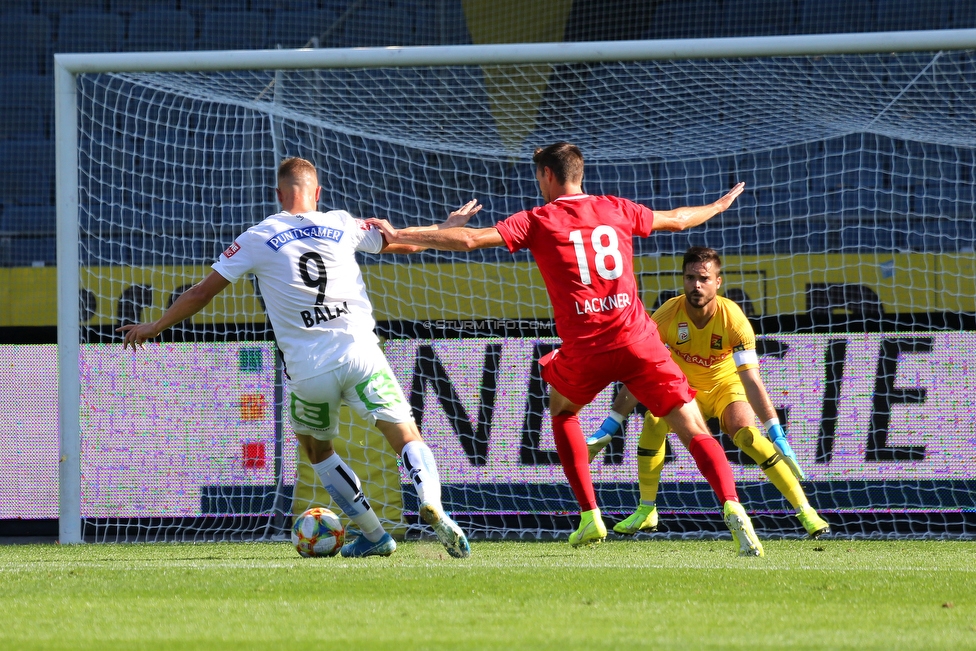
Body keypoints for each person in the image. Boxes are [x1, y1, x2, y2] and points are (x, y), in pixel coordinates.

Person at [368, 142, 766, 556]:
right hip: (637, 341)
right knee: (695, 430)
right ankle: (732, 506)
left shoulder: (539, 219)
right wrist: (718, 206)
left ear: (547, 175)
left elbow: (469, 240)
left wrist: (400, 234)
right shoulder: (616, 207)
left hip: (587, 348)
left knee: (562, 411)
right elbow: (680, 220)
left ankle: (590, 515)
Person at [119, 157, 477, 559]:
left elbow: (201, 293)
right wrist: (444, 229)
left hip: (309, 370)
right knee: (406, 436)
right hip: (362, 353)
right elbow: (402, 242)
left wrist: (156, 326)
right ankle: (433, 503)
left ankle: (375, 536)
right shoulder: (342, 222)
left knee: (318, 451)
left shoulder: (258, 235)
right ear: (318, 193)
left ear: (278, 194)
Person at [586, 246, 830, 538]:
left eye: (703, 278)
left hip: (725, 387)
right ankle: (646, 510)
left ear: (718, 281)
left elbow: (751, 380)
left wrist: (775, 431)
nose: (696, 285)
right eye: (690, 278)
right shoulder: (665, 317)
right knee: (653, 421)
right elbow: (641, 372)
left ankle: (806, 511)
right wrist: (611, 423)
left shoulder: (734, 320)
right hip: (685, 389)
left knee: (749, 436)